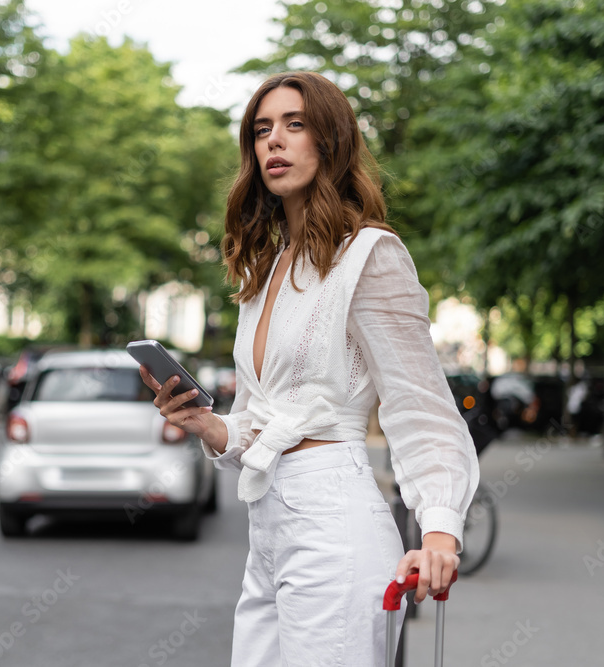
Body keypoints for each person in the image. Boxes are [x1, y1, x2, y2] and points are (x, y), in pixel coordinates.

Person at [139, 71, 479, 666]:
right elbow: (263, 419)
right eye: (263, 129)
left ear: (331, 141)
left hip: (334, 525)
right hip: (267, 529)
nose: (275, 141)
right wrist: (209, 425)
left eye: (295, 125)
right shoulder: (266, 272)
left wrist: (440, 531)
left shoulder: (370, 255)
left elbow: (420, 405)